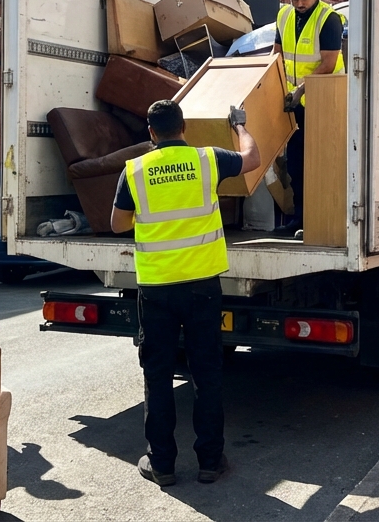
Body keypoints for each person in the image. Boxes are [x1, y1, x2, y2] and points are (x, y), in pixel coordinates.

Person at [110, 100, 260, 487]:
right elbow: (253, 158)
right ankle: (210, 461)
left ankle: (162, 465)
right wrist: (240, 126)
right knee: (206, 373)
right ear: (185, 127)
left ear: (151, 132)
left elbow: (117, 224)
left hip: (157, 289)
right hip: (202, 286)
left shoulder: (135, 170)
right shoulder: (208, 160)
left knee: (157, 376)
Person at [273, 0, 343, 234]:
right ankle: (299, 219)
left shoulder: (329, 19)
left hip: (325, 104)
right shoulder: (284, 15)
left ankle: (319, 220)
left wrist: (302, 89)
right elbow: (276, 55)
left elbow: (329, 63)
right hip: (294, 106)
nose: (299, 4)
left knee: (321, 164)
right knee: (297, 164)